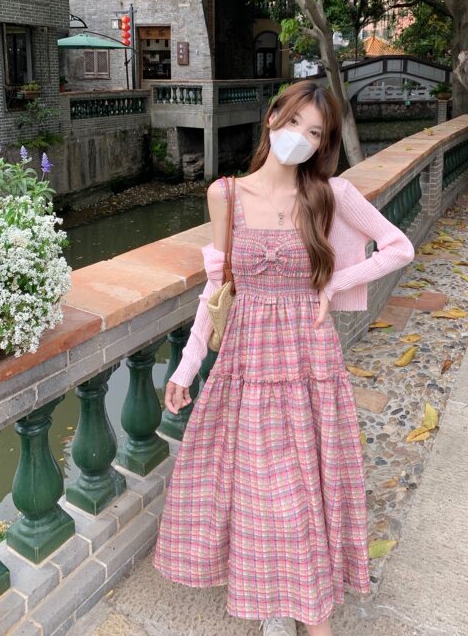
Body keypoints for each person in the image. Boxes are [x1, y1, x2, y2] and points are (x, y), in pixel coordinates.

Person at [153, 81, 414, 636]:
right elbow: (218, 288)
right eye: (293, 122)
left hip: (308, 363)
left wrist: (333, 284)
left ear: (323, 144)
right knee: (259, 488)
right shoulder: (225, 195)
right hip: (247, 362)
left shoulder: (330, 194)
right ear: (272, 117)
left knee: (301, 490)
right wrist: (187, 366)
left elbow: (399, 247)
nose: (300, 137)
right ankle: (275, 595)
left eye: (314, 132)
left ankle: (312, 612)